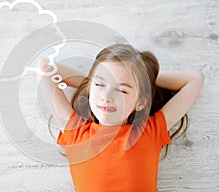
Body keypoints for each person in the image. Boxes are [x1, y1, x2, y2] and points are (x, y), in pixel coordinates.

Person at [36, 44, 204, 192]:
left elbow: (195, 79)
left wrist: (143, 78)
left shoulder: (150, 131)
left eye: (122, 90)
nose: (106, 96)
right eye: (100, 85)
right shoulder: (76, 132)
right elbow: (44, 67)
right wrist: (93, 83)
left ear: (141, 102)